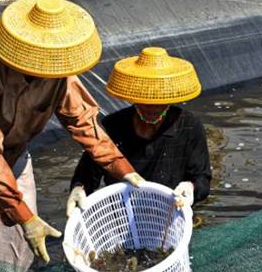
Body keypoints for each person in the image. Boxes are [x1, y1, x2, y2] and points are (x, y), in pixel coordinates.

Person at [0, 0, 142, 272]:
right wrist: (22, 213)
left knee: (15, 264)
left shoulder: (60, 76)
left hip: (11, 153)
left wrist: (125, 171)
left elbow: (85, 125)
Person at [66, 47, 211, 216]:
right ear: (134, 97)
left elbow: (202, 179)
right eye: (145, 101)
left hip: (170, 212)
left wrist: (191, 188)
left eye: (159, 101)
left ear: (170, 99)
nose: (152, 108)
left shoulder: (189, 126)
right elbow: (87, 174)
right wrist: (79, 189)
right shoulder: (113, 126)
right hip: (120, 213)